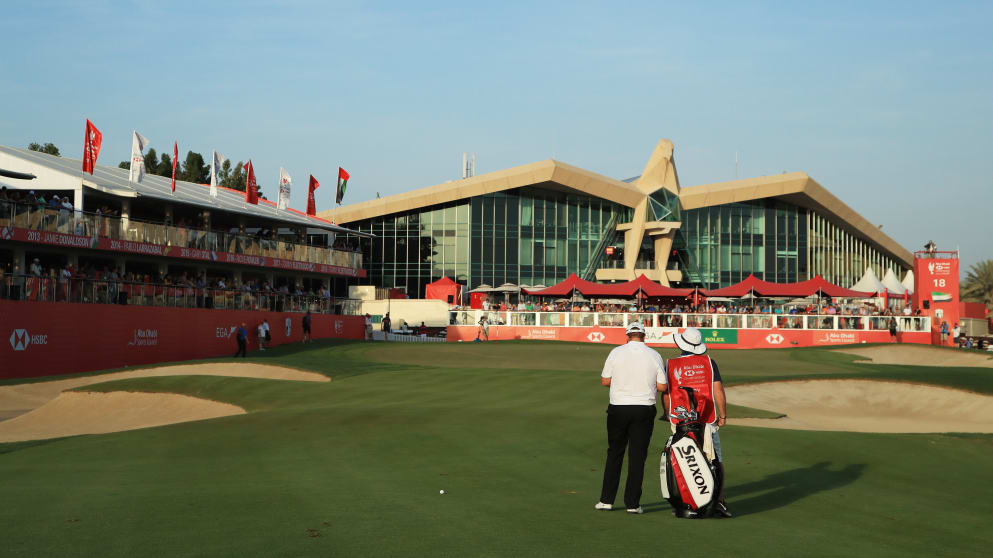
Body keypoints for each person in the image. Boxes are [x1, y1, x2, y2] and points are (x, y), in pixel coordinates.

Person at [596, 322, 667, 515]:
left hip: (618, 407)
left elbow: (605, 381)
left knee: (615, 453)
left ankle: (606, 500)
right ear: (644, 336)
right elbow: (662, 386)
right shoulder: (654, 355)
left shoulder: (616, 352)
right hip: (644, 408)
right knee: (637, 457)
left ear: (627, 336)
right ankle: (633, 504)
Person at [663, 327, 732, 518]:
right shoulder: (709, 362)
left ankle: (687, 500)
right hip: (707, 419)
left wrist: (668, 414)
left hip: (680, 418)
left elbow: (666, 393)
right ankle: (718, 501)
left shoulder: (671, 363)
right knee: (714, 459)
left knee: (684, 460)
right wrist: (723, 415)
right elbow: (718, 391)